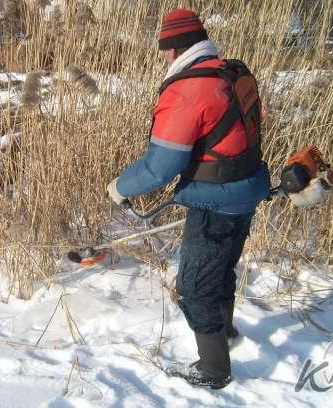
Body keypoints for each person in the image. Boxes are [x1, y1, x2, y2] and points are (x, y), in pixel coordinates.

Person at [107, 9, 271, 389]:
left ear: (173, 49)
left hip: (214, 201)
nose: (164, 57)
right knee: (222, 268)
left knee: (194, 287)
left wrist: (120, 186)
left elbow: (160, 166)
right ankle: (225, 331)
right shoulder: (234, 72)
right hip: (246, 192)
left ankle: (214, 370)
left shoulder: (188, 89)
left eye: (165, 50)